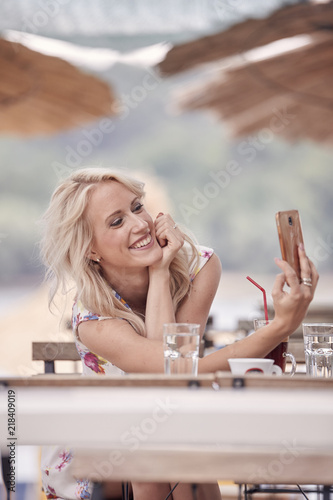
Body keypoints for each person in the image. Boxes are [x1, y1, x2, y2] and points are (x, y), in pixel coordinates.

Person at [39, 167, 318, 500]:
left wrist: (160, 270)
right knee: (153, 459)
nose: (140, 224)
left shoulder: (198, 266)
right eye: (116, 222)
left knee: (172, 451)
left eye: (137, 206)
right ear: (90, 249)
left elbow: (176, 369)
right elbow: (172, 370)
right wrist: (281, 327)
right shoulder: (92, 316)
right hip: (102, 452)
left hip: (170, 426)